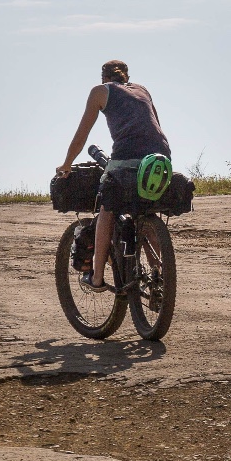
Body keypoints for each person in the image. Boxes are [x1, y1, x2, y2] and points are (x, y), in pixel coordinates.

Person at [57, 60, 172, 292]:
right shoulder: (143, 90)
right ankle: (159, 274)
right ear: (126, 77)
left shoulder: (100, 91)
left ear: (103, 77)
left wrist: (66, 164)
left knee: (107, 210)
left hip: (127, 156)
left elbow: (82, 135)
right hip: (160, 159)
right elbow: (155, 126)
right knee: (144, 209)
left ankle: (96, 278)